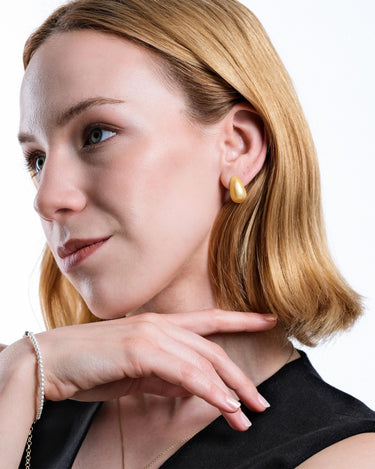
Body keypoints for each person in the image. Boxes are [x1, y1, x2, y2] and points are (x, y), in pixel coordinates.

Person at [0, 0, 374, 467]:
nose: (47, 197)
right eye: (37, 159)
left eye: (96, 134)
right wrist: (19, 374)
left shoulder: (344, 456)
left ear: (238, 146)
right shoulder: (18, 400)